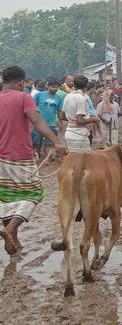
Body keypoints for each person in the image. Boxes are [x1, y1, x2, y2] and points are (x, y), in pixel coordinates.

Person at [0, 66, 67, 255]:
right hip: (20, 156)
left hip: (0, 157)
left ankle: (13, 242)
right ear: (21, 82)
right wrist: (56, 142)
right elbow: (37, 122)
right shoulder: (24, 97)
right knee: (34, 193)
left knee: (6, 197)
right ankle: (11, 230)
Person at [62, 75, 99, 151]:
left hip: (69, 133)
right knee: (84, 160)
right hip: (79, 134)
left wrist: (72, 121)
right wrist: (93, 119)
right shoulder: (82, 98)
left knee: (72, 158)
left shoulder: (68, 96)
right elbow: (80, 121)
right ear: (86, 86)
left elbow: (62, 116)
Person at [32, 78, 63, 157]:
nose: (54, 89)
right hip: (38, 124)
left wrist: (60, 122)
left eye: (56, 87)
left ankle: (47, 158)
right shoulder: (39, 95)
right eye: (52, 87)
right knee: (36, 142)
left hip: (51, 124)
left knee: (50, 143)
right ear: (48, 86)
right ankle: (36, 156)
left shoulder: (58, 98)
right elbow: (32, 107)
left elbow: (59, 111)